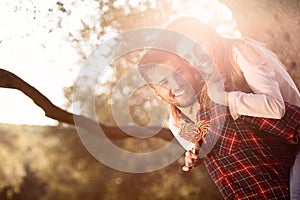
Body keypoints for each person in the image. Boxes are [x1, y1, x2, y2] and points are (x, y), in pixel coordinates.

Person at [138, 17, 300, 199]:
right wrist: (194, 155)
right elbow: (200, 147)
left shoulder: (236, 62)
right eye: (164, 81)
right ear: (155, 92)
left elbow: (277, 109)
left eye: (179, 73)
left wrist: (223, 97)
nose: (176, 83)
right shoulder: (178, 123)